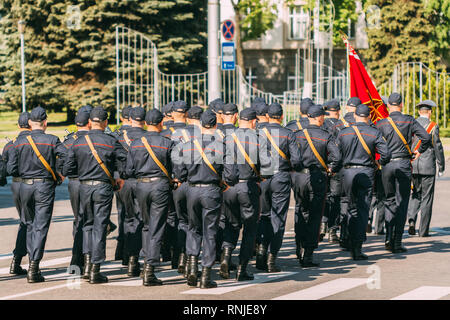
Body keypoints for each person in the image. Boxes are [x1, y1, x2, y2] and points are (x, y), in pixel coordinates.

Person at [172, 109, 236, 288]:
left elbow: (179, 173)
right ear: (216, 125)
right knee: (210, 232)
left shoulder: (187, 145)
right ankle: (206, 276)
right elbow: (231, 176)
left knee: (193, 229)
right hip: (212, 191)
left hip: (192, 190)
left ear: (200, 125)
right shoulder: (222, 146)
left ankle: (192, 269)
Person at [63, 106, 127, 284]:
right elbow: (124, 162)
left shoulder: (78, 142)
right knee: (100, 225)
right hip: (103, 187)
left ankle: (86, 263)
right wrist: (119, 176)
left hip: (84, 186)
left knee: (87, 225)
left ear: (90, 122)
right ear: (105, 122)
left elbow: (67, 168)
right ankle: (95, 268)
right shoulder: (111, 141)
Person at [7, 106, 67, 283]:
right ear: (45, 123)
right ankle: (34, 267)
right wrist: (60, 172)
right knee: (40, 226)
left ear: (30, 124)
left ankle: (20, 261)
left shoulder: (17, 143)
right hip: (44, 186)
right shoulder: (52, 140)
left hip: (25, 186)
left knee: (28, 223)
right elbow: (67, 156)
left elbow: (11, 169)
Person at [125, 109, 175, 286]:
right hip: (159, 186)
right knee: (157, 226)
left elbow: (128, 171)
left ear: (146, 123)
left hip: (141, 185)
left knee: (146, 225)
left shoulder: (136, 143)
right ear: (161, 123)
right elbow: (175, 169)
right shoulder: (167, 143)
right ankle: (150, 269)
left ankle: (146, 261)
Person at [376, 93, 431, 253]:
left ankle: (388, 236)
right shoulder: (408, 120)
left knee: (389, 201)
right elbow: (426, 137)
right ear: (401, 104)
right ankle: (397, 241)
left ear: (388, 106)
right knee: (402, 203)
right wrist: (418, 151)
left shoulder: (381, 123)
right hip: (403, 163)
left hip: (386, 165)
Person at [337, 104, 391, 259]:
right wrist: (379, 163)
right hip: (366, 172)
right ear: (369, 117)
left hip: (347, 172)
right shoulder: (374, 133)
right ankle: (357, 247)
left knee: (349, 207)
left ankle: (347, 238)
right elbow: (386, 154)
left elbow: (336, 154)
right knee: (362, 210)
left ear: (355, 116)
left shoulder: (343, 133)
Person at [256, 103, 302, 272]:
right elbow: (296, 160)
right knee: (278, 218)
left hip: (263, 176)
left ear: (267, 116)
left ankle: (261, 251)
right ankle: (271, 258)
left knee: (263, 215)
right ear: (282, 116)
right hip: (281, 176)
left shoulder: (258, 132)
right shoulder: (288, 134)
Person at [293, 104, 341, 267]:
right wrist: (331, 169)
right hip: (318, 177)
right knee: (315, 216)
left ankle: (298, 246)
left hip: (299, 177)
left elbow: (291, 157)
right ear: (319, 117)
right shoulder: (326, 136)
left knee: (301, 210)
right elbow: (337, 157)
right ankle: (308, 254)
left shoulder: (297, 135)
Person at [170, 106, 203, 274]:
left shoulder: (177, 134)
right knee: (197, 225)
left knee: (181, 222)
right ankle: (193, 260)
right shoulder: (206, 134)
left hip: (180, 183)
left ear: (188, 118)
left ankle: (180, 257)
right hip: (198, 183)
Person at [116, 107, 148, 276]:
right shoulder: (147, 137)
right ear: (144, 120)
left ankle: (130, 259)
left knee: (129, 220)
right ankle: (146, 259)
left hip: (125, 182)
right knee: (146, 221)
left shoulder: (120, 137)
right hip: (144, 182)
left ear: (129, 119)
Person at [407, 100, 445, 237]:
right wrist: (441, 166)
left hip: (413, 164)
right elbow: (438, 147)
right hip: (428, 167)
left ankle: (411, 220)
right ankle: (423, 231)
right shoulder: (433, 126)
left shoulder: (411, 124)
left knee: (415, 195)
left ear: (418, 112)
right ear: (429, 112)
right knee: (427, 198)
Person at [160, 100, 189, 267]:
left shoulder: (164, 134)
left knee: (171, 217)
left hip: (169, 180)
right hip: (188, 181)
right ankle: (182, 255)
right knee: (186, 220)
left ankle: (169, 253)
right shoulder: (193, 133)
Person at [2, 112, 31, 275]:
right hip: (30, 183)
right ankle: (20, 260)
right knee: (32, 223)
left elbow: (4, 169)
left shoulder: (10, 144)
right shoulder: (32, 141)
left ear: (19, 126)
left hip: (16, 184)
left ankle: (17, 261)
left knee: (25, 221)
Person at [62, 109, 92, 273]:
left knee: (78, 220)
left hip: (74, 183)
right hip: (90, 183)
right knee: (90, 222)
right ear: (90, 122)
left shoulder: (69, 141)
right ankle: (86, 258)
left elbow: (63, 167)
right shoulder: (94, 138)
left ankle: (77, 259)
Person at [321, 99, 346, 243]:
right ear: (338, 111)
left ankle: (322, 224)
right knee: (336, 199)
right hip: (337, 166)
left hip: (324, 166)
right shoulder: (343, 126)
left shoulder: (322, 124)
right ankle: (333, 231)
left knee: (324, 196)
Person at [113, 105, 132, 263]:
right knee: (134, 216)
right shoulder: (141, 135)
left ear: (121, 118)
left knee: (121, 213)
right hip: (134, 179)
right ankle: (130, 252)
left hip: (118, 178)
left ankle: (120, 249)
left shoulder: (115, 134)